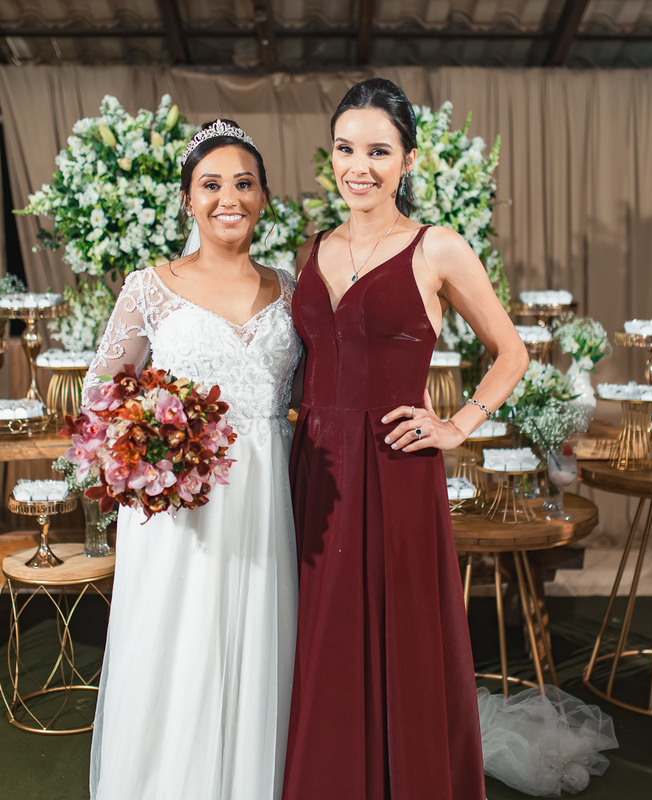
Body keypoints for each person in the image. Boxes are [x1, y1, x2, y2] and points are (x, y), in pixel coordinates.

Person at [283, 78, 614, 800]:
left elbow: (511, 351)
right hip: (315, 472)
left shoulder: (436, 247)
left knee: (401, 633)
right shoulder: (313, 249)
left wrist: (459, 425)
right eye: (345, 149)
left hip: (395, 467)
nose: (358, 166)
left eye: (378, 151)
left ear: (408, 160)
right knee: (323, 633)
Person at [85, 120, 301, 800]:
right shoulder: (149, 288)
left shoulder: (293, 289)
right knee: (179, 645)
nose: (228, 198)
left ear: (263, 197)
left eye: (244, 183)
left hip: (268, 495)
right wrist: (150, 444)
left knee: (260, 640)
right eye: (211, 184)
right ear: (187, 200)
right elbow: (100, 395)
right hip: (183, 504)